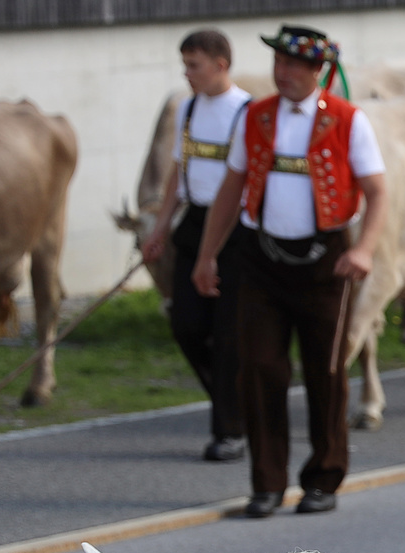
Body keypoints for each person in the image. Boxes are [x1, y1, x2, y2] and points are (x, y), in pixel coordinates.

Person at [191, 25, 388, 518]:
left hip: (326, 261)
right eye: (280, 63)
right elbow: (232, 187)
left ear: (317, 70)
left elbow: (378, 191)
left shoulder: (347, 119)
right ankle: (268, 483)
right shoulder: (255, 116)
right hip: (261, 259)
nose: (285, 73)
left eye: (296, 64)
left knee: (326, 371)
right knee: (259, 369)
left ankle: (323, 476)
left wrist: (364, 248)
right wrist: (206, 254)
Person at [141, 29, 252, 463]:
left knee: (227, 335)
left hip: (236, 231)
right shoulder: (187, 109)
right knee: (186, 325)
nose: (187, 74)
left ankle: (230, 430)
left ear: (221, 65)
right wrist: (159, 230)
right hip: (194, 225)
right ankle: (236, 402)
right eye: (185, 65)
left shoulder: (245, 112)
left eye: (195, 65)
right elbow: (177, 176)